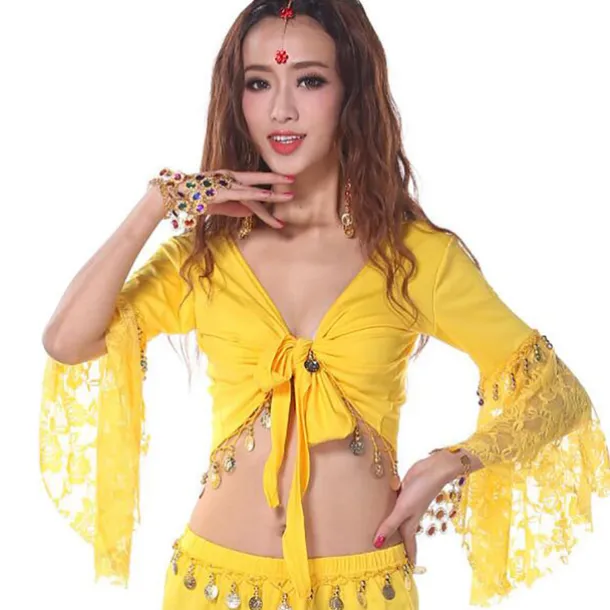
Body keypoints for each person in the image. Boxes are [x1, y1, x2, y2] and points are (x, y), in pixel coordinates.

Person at [39, 1, 610, 609]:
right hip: (212, 587)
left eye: (309, 80)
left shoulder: (412, 258)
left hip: (362, 592)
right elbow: (66, 340)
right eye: (259, 83)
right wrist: (162, 202)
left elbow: (557, 393)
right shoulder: (205, 257)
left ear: (351, 93)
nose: (281, 109)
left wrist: (451, 462)